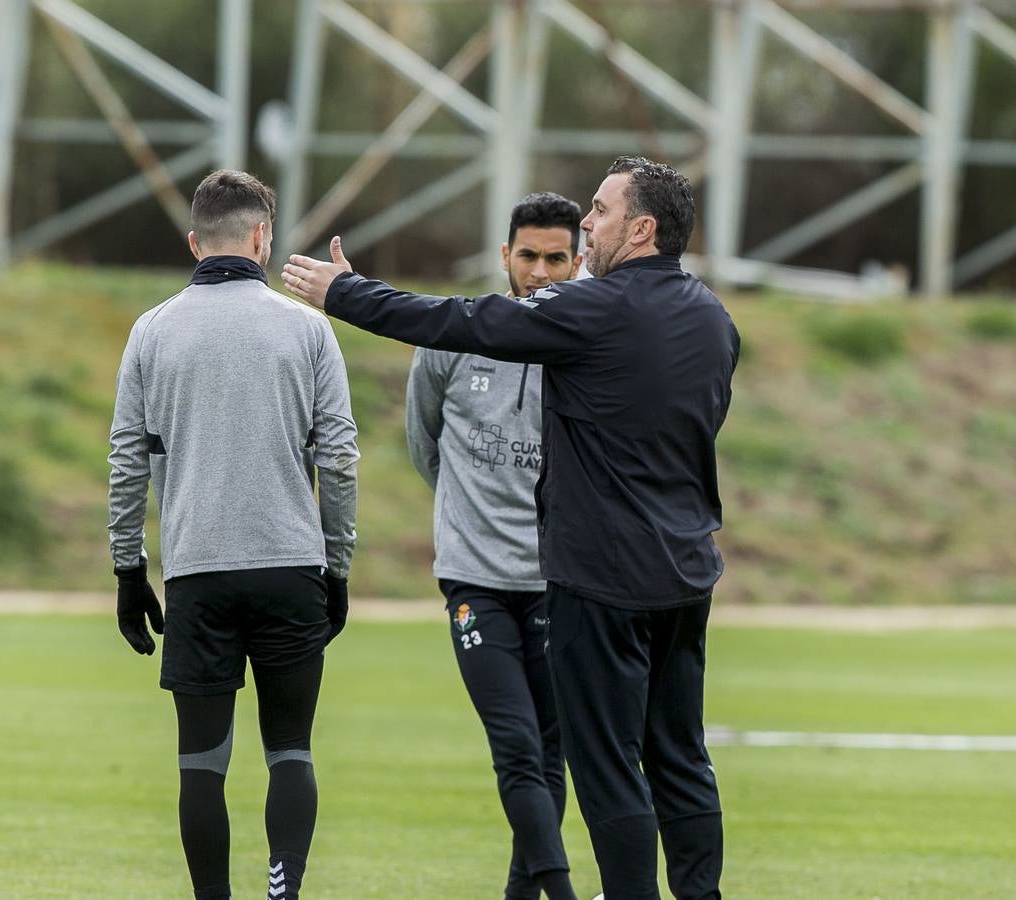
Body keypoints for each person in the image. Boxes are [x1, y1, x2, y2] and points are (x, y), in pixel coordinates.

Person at [282, 157, 737, 900]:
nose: (586, 224)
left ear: (642, 228)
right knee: (680, 755)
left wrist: (346, 294)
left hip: (600, 581)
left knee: (605, 764)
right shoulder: (712, 318)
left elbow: (461, 321)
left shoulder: (594, 309)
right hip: (686, 575)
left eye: (599, 210)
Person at [107, 169, 359, 900]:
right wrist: (335, 567)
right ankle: (284, 893)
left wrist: (129, 571)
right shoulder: (307, 328)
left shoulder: (152, 330)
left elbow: (127, 459)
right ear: (262, 237)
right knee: (290, 753)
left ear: (194, 242)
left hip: (198, 573)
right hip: (290, 569)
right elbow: (338, 460)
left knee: (200, 766)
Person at [404, 192, 585, 900]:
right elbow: (425, 447)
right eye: (527, 256)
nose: (540, 273)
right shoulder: (453, 337)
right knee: (514, 747)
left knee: (549, 756)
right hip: (474, 578)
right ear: (504, 255)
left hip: (558, 580)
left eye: (555, 259)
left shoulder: (587, 343)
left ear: (577, 262)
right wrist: (466, 515)